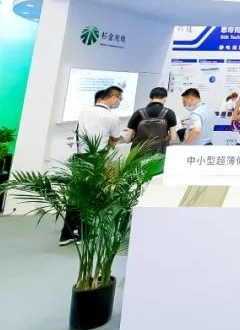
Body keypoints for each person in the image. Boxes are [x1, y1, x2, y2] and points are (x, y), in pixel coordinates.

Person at [60, 86, 124, 245]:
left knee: (75, 195)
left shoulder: (85, 112)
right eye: (120, 99)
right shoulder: (112, 117)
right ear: (114, 97)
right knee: (91, 195)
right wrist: (109, 145)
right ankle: (84, 232)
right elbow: (115, 138)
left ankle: (67, 234)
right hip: (96, 159)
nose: (119, 102)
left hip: (80, 157)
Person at [124, 87, 179, 153]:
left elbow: (127, 139)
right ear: (165, 99)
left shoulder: (138, 113)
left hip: (139, 154)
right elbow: (173, 138)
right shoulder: (170, 113)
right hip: (160, 155)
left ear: (150, 99)